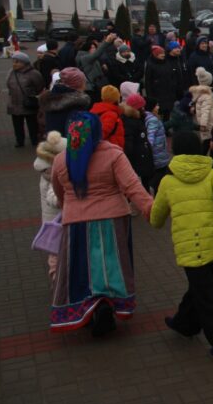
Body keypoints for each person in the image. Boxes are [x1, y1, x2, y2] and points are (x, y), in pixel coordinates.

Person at [150, 132, 213, 362]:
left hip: (189, 246)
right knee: (201, 287)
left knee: (206, 296)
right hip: (212, 243)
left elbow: (156, 219)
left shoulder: (167, 182)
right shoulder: (210, 175)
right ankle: (184, 323)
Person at [50, 112, 154, 336]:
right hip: (113, 220)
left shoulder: (61, 159)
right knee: (111, 265)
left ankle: (86, 307)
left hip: (76, 223)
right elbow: (132, 186)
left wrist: (66, 209)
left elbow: (60, 193)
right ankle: (108, 303)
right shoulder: (113, 154)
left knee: (82, 269)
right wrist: (150, 209)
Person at [34, 130, 66, 279]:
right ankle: (56, 278)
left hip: (52, 220)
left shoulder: (46, 169)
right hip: (57, 221)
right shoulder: (53, 173)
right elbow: (52, 199)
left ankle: (57, 276)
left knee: (55, 251)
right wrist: (66, 199)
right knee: (57, 253)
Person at [6, 51, 44, 147]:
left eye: (17, 62)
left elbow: (39, 86)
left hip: (28, 103)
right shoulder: (11, 72)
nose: (14, 64)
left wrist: (32, 95)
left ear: (24, 63)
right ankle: (19, 141)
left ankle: (34, 140)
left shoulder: (34, 73)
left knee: (32, 124)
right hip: (14, 103)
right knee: (17, 125)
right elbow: (8, 85)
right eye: (14, 61)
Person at [190, 68, 213, 167]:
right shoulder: (207, 95)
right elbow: (206, 111)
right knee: (212, 144)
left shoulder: (205, 93)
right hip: (210, 124)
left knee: (209, 143)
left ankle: (210, 162)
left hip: (209, 123)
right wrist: (203, 124)